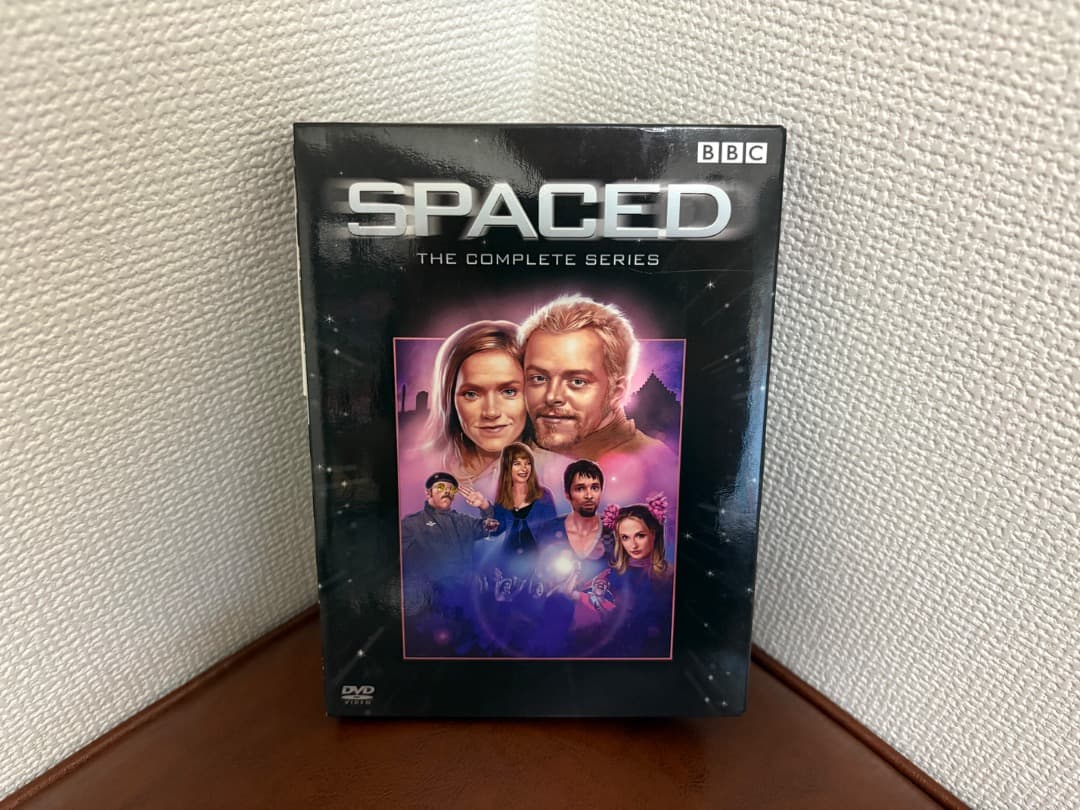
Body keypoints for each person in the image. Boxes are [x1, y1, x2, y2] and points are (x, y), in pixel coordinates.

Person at [518, 294, 678, 502]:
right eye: (538, 378)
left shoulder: (659, 467)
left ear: (617, 391)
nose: (552, 396)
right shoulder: (513, 454)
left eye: (577, 381)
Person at [421, 320, 529, 494]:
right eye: (472, 394)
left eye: (509, 392)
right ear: (449, 400)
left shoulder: (560, 471)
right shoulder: (418, 469)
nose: (491, 412)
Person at [528, 459, 619, 656]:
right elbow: (530, 579)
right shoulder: (546, 531)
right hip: (551, 633)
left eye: (595, 487)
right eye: (580, 488)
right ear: (567, 494)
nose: (589, 495)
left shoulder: (615, 533)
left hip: (601, 636)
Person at [400, 471, 495, 655]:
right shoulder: (412, 524)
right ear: (428, 493)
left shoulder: (464, 521)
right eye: (441, 487)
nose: (447, 491)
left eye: (451, 489)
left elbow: (494, 528)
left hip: (466, 605)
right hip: (432, 610)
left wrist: (484, 506)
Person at [602, 495, 675, 658]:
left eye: (640, 535)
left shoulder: (670, 577)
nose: (633, 545)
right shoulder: (611, 575)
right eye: (625, 537)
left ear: (654, 534)